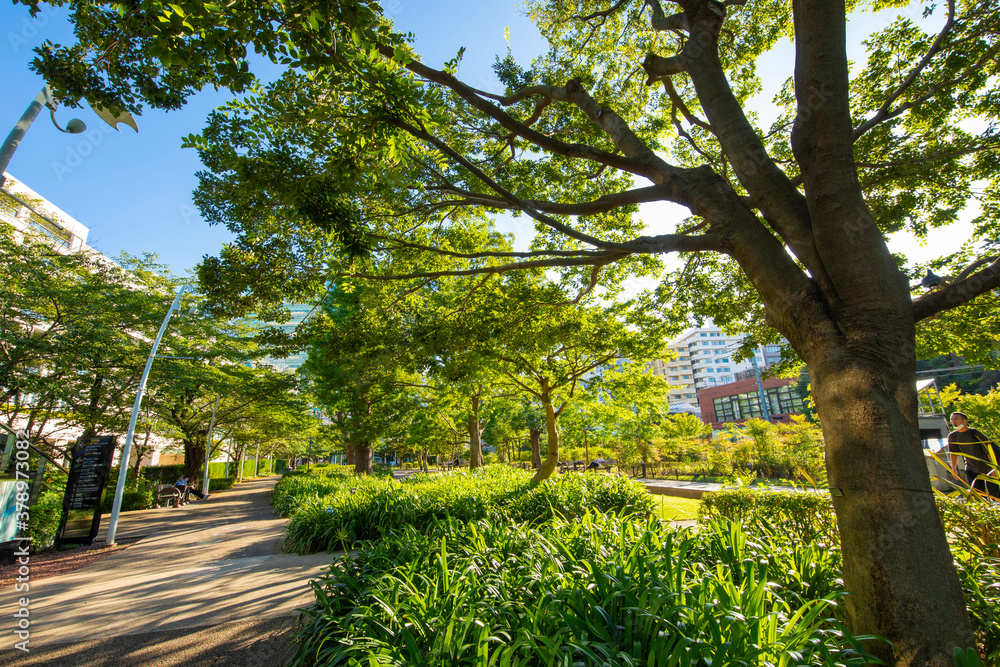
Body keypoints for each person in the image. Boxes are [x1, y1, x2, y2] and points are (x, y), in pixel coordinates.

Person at [948, 412, 999, 500]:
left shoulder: (974, 433)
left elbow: (989, 451)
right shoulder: (953, 436)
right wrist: (954, 469)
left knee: (994, 495)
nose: (953, 421)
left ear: (965, 421)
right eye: (952, 419)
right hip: (971, 469)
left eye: (956, 418)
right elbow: (954, 453)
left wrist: (994, 468)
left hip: (988, 469)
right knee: (977, 495)